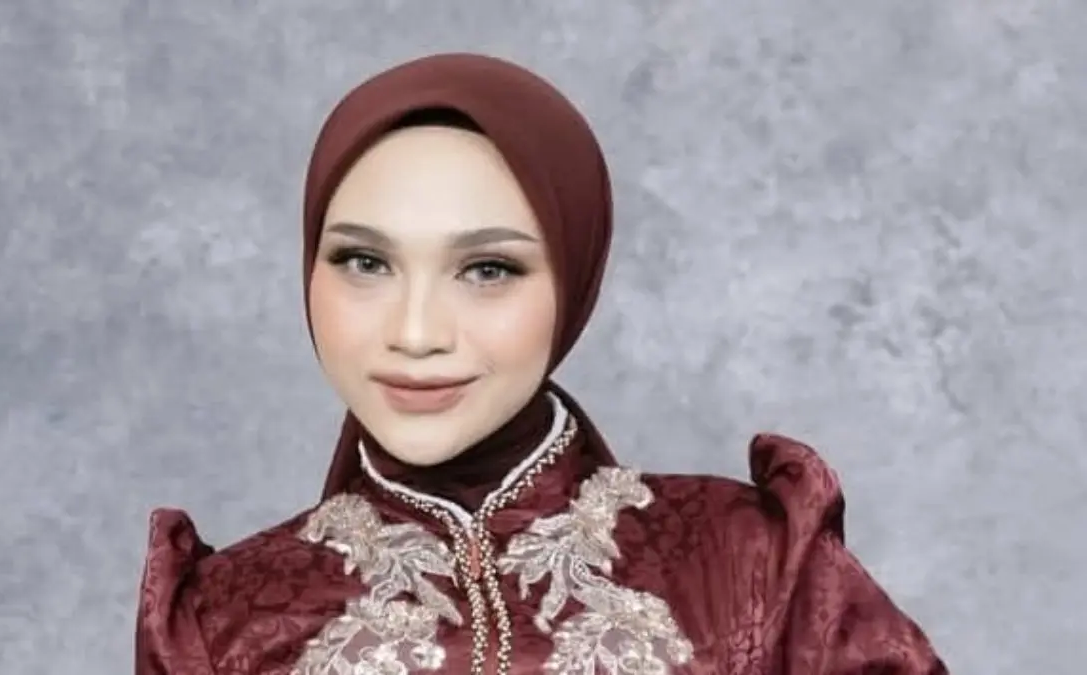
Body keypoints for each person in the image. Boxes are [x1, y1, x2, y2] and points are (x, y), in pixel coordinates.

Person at [134, 53, 947, 675]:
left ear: (573, 276)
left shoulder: (756, 565)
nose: (416, 331)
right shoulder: (219, 623)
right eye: (364, 262)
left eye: (488, 269)